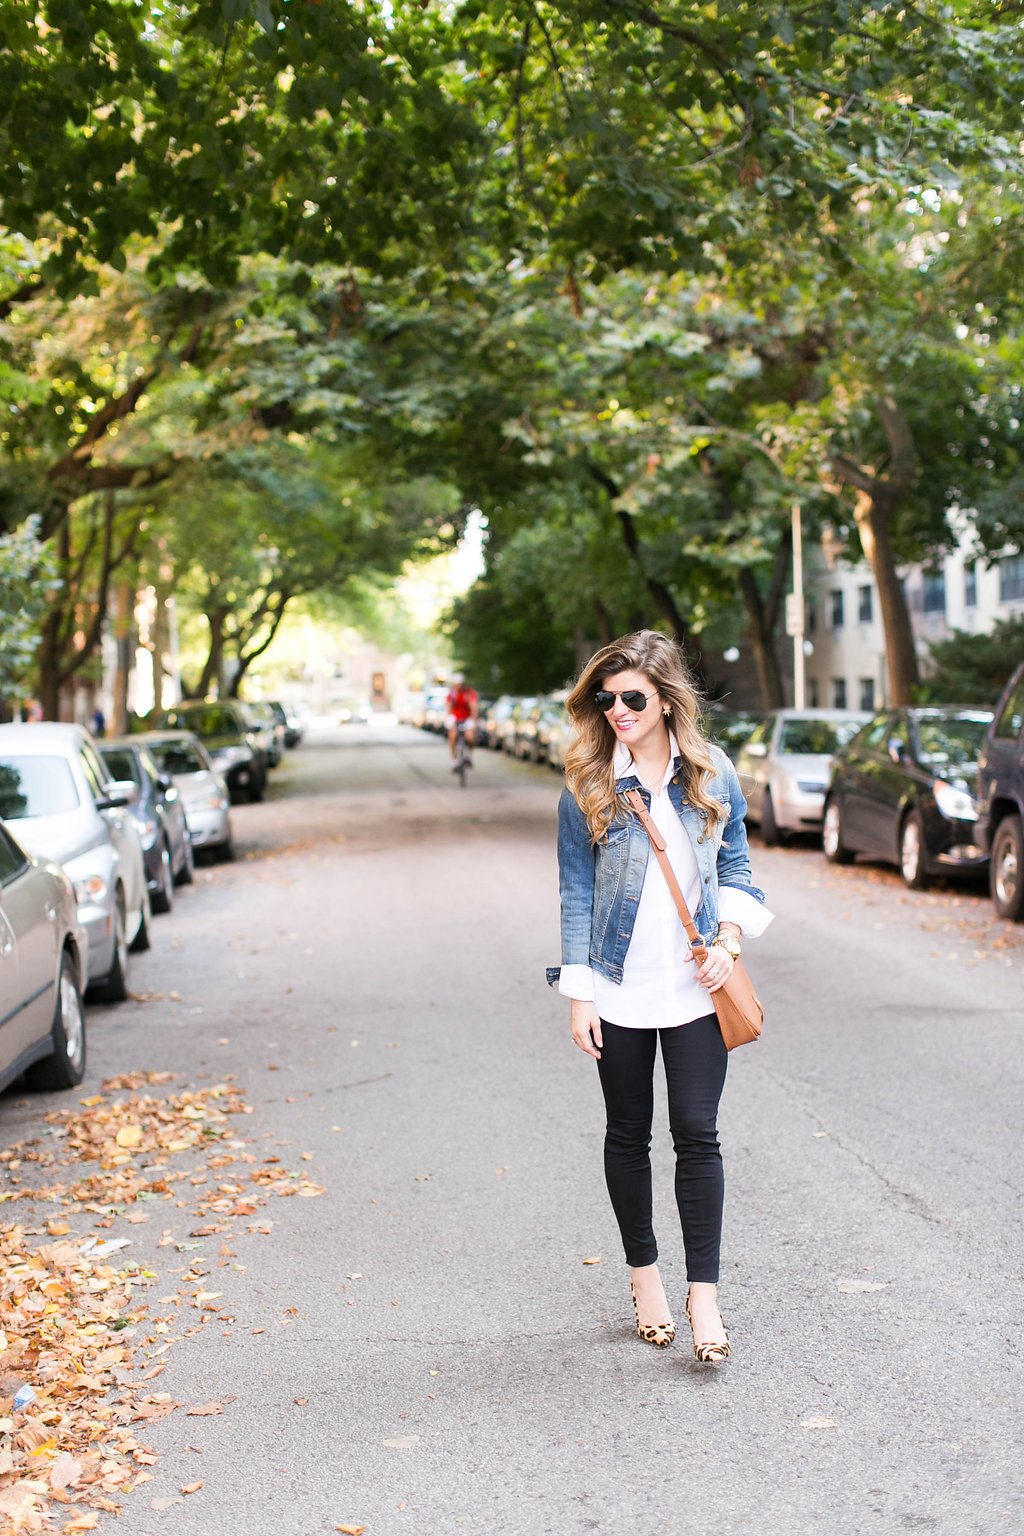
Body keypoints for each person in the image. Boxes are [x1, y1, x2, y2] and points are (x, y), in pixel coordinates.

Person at [549, 630, 772, 1364]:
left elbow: (737, 863)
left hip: (696, 987)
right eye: (604, 698)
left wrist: (729, 942)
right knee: (626, 1134)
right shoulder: (587, 782)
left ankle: (702, 1294)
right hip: (618, 988)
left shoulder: (712, 774)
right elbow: (577, 893)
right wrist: (580, 993)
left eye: (632, 698)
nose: (616, 709)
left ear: (666, 699)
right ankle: (645, 1277)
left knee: (697, 1132)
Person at [446, 675, 478, 769]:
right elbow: (448, 707)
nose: (458, 686)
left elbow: (473, 707)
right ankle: (453, 760)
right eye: (457, 684)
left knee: (470, 737)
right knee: (453, 736)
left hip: (467, 717)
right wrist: (449, 718)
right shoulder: (452, 694)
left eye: (460, 684)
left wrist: (473, 719)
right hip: (455, 717)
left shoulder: (469, 693)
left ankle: (468, 756)